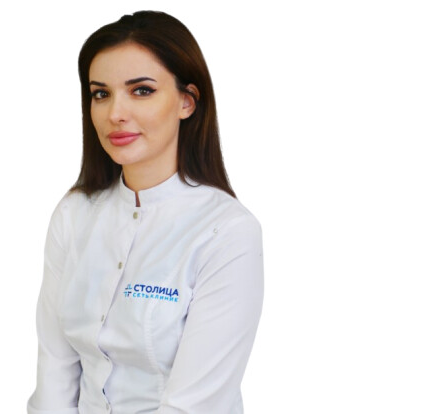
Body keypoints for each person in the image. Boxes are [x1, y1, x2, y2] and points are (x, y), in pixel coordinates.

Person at [27, 10, 263, 414]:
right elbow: (55, 371)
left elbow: (194, 405)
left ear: (187, 101)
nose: (115, 113)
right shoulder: (74, 214)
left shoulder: (227, 232)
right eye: (101, 94)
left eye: (141, 90)